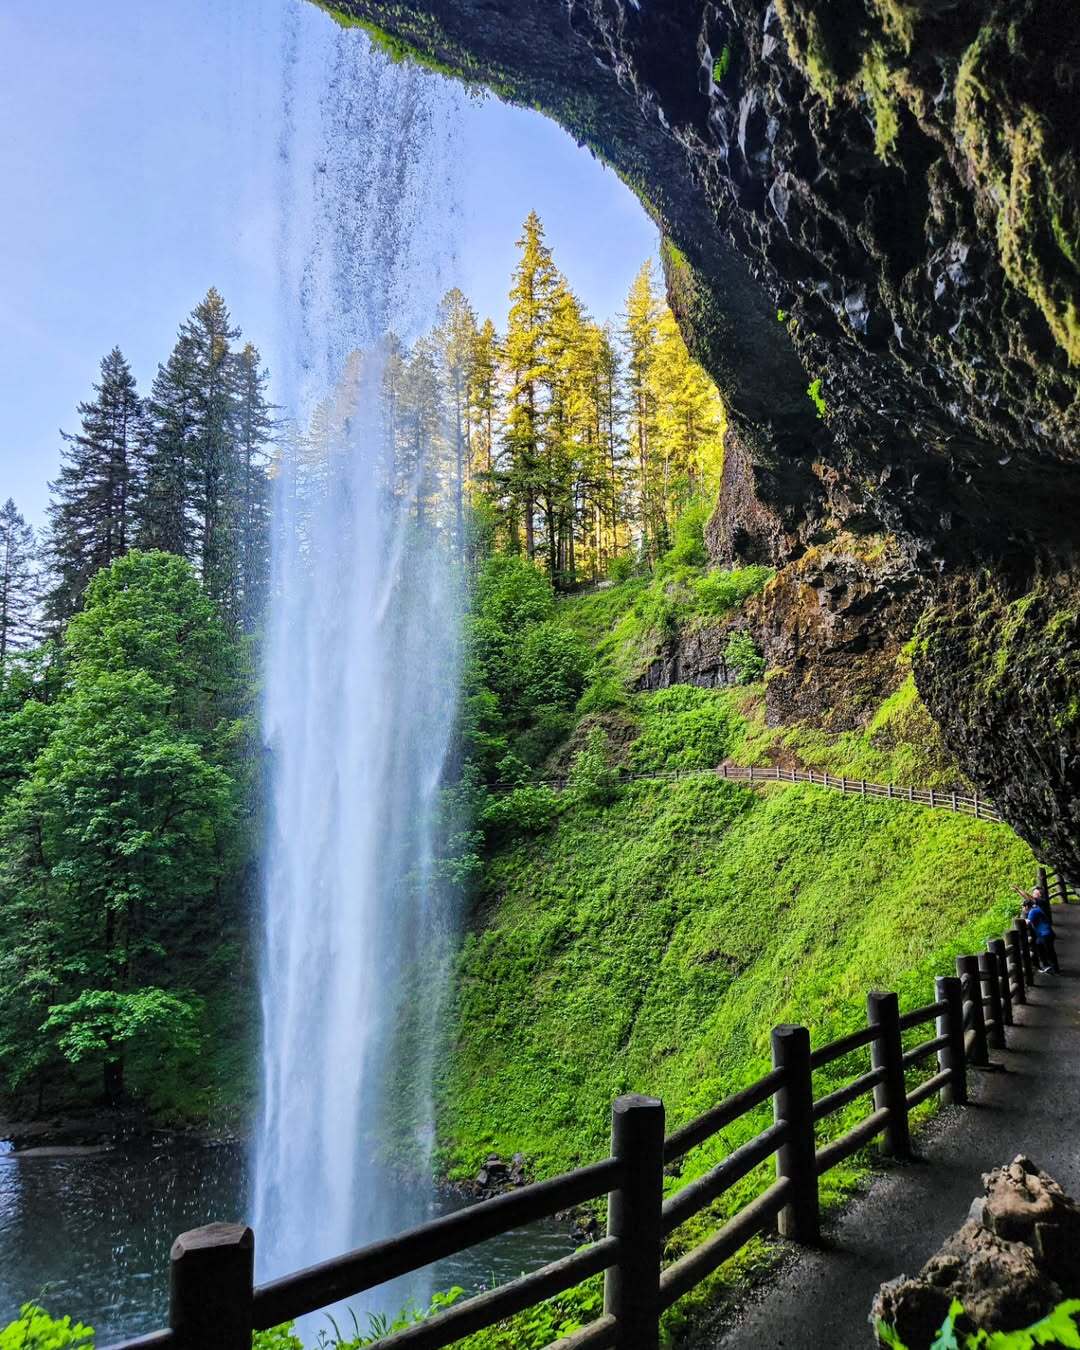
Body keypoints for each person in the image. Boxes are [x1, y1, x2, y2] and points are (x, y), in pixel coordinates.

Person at [1026, 893, 1060, 974]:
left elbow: (1027, 922)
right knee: (1040, 947)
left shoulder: (1033, 911)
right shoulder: (1036, 908)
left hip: (1046, 934)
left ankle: (1055, 970)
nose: (1023, 909)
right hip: (1044, 935)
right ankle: (1047, 966)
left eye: (1023, 907)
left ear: (1026, 906)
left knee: (1049, 952)